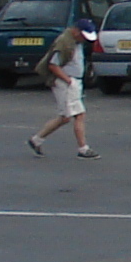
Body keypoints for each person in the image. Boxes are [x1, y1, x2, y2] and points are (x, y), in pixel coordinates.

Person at [28, 17, 100, 158]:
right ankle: (83, 149)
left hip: (72, 82)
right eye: (84, 36)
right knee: (78, 115)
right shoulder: (64, 42)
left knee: (65, 117)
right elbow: (53, 65)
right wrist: (68, 80)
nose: (85, 39)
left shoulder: (75, 42)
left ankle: (36, 139)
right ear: (76, 31)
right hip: (66, 83)